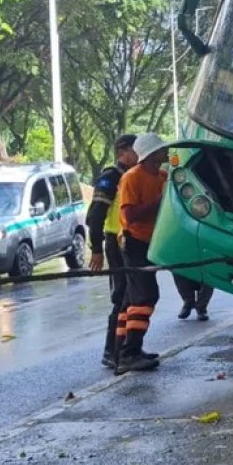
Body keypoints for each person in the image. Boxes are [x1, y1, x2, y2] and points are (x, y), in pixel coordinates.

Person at [85, 134, 148, 368]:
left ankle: (130, 347)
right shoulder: (111, 177)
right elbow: (96, 215)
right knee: (122, 295)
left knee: (133, 296)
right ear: (123, 151)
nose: (139, 154)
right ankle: (112, 351)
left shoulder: (134, 176)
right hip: (116, 242)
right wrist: (96, 248)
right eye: (135, 150)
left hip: (130, 240)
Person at [114, 133, 170, 373]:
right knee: (144, 296)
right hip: (134, 241)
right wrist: (158, 202)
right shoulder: (131, 179)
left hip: (151, 241)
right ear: (150, 155)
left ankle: (123, 351)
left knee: (130, 300)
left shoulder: (163, 176)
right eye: (161, 150)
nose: (165, 153)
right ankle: (129, 353)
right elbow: (128, 216)